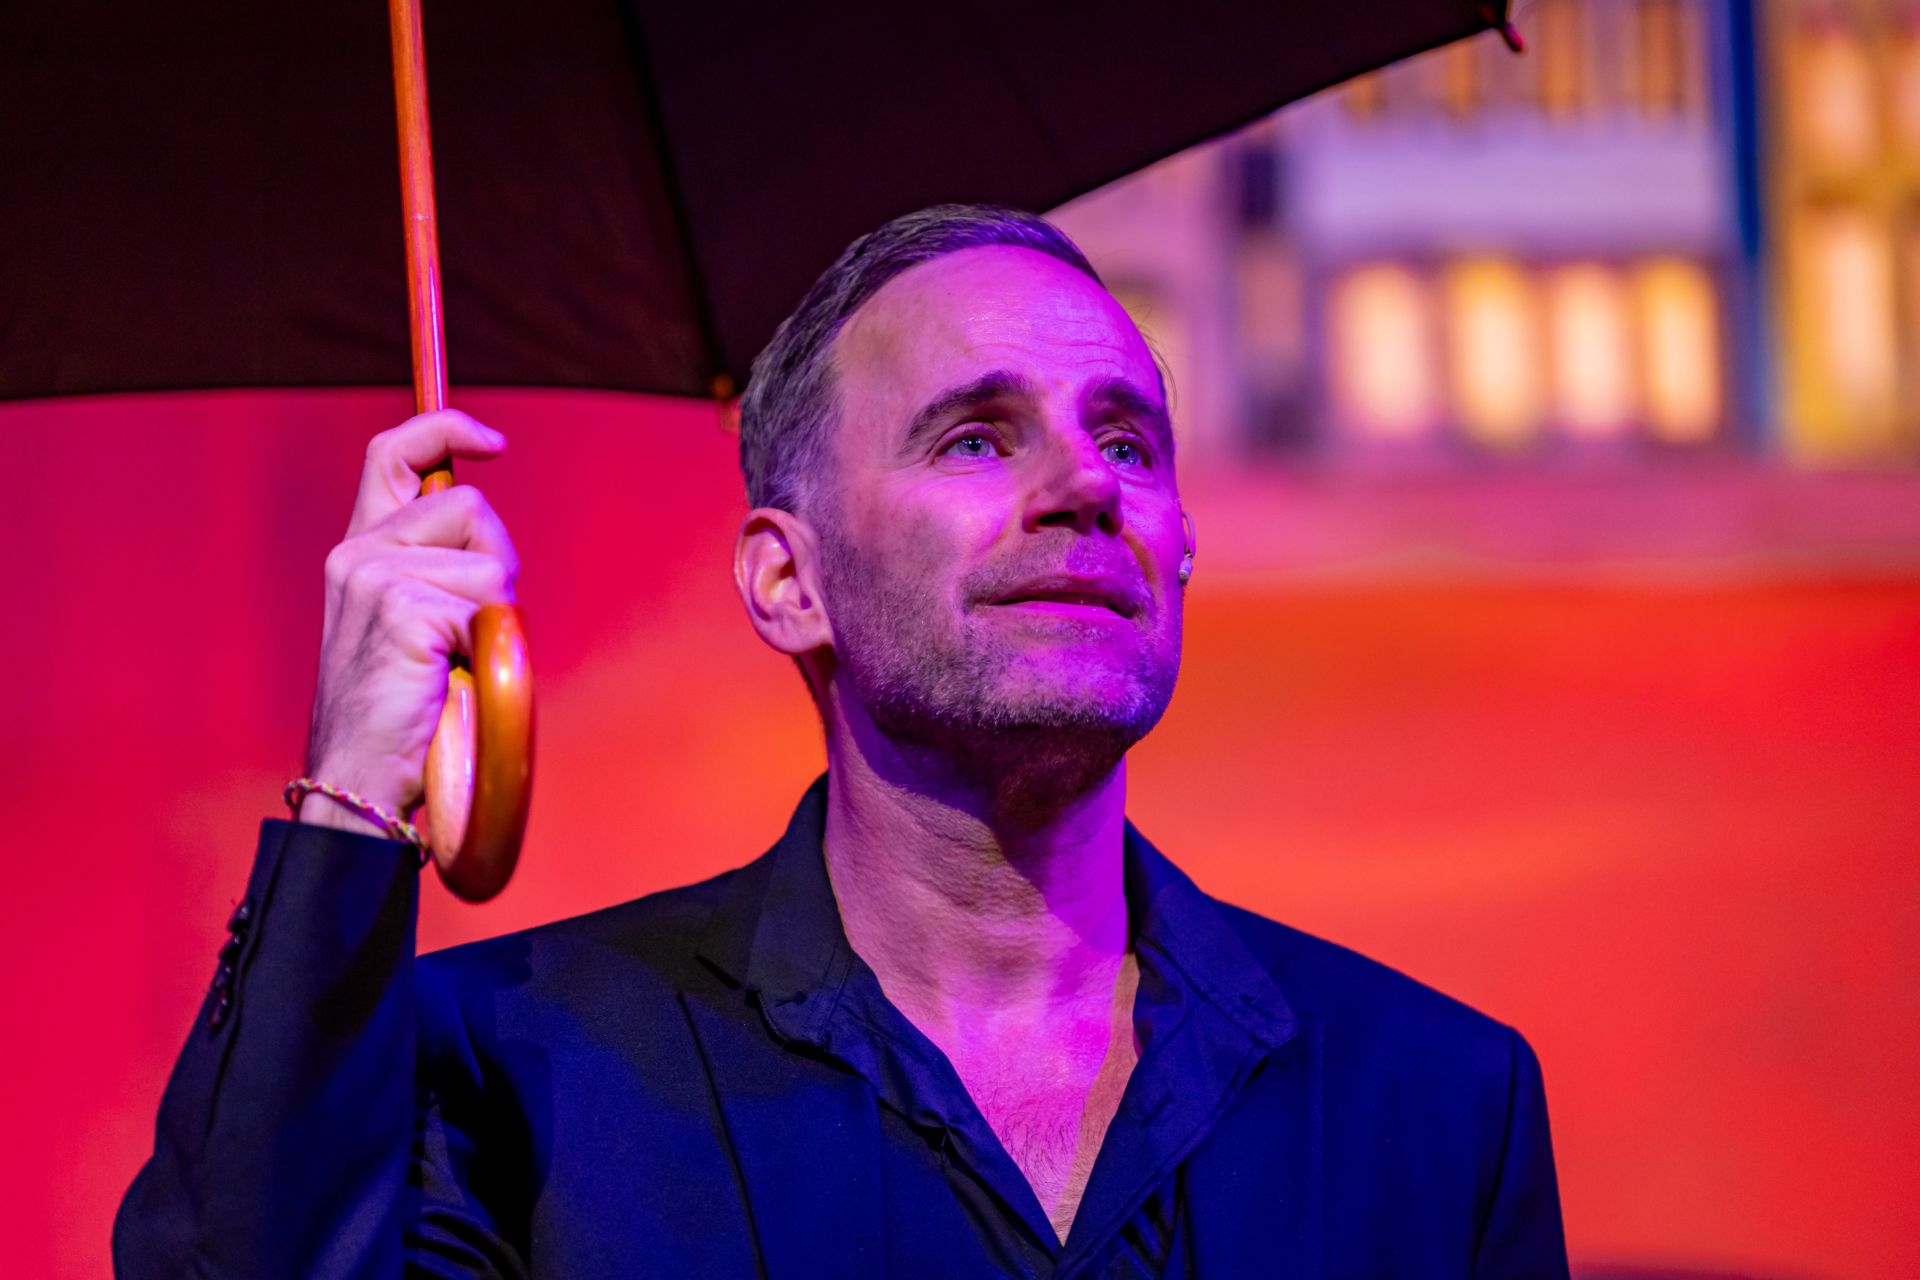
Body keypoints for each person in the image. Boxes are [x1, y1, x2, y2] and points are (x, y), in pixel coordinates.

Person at [115, 206, 1570, 1279]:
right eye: (976, 439)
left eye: (1128, 444)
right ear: (785, 581)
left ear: (1184, 550)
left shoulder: (1438, 1106)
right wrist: (353, 789)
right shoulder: (514, 1079)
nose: (1085, 487)